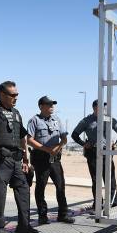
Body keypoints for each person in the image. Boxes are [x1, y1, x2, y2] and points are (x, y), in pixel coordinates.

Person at [0, 81, 41, 233]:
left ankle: (24, 226)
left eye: (17, 95)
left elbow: (23, 136)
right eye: (12, 95)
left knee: (24, 191)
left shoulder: (16, 113)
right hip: (0, 160)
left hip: (16, 160)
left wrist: (26, 160)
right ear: (2, 94)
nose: (16, 98)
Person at [27, 96, 75, 225]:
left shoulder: (57, 120)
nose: (52, 106)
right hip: (41, 159)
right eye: (49, 104)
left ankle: (63, 214)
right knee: (41, 187)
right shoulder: (34, 120)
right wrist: (47, 149)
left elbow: (64, 138)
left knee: (60, 186)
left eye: (53, 104)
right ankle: (42, 215)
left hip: (55, 159)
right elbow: (29, 140)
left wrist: (57, 148)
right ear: (41, 106)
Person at [71, 100, 117, 208]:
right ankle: (98, 203)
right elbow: (74, 134)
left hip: (107, 152)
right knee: (96, 179)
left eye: (104, 107)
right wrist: (83, 144)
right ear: (94, 108)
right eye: (101, 107)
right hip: (93, 153)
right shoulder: (86, 121)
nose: (103, 109)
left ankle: (114, 201)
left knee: (110, 178)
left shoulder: (110, 120)